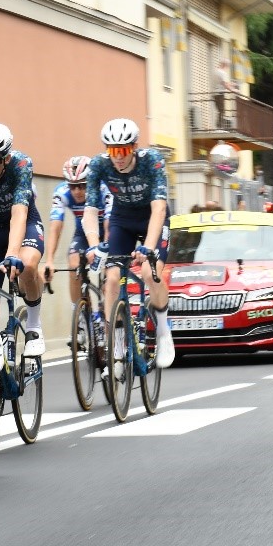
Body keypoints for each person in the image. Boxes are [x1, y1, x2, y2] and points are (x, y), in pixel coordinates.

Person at [80, 118, 175, 369]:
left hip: (153, 217)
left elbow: (159, 208)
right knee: (111, 279)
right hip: (122, 218)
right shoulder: (99, 165)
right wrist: (93, 245)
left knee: (148, 272)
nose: (118, 157)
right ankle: (118, 344)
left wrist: (149, 248)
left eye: (123, 151)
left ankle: (164, 331)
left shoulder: (151, 161)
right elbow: (90, 210)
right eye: (113, 151)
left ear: (133, 147)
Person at [0, 123, 47, 357]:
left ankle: (34, 327)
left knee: (26, 265)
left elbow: (19, 213)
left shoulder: (20, 165)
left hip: (24, 223)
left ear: (5, 159)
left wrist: (12, 254)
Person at [45, 155, 110, 300]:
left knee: (110, 275)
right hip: (83, 234)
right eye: (72, 186)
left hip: (107, 232)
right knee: (74, 267)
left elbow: (109, 225)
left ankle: (112, 317)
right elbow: (55, 228)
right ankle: (80, 314)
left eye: (82, 185)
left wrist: (106, 256)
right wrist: (49, 260)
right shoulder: (61, 192)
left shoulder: (103, 189)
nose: (77, 191)